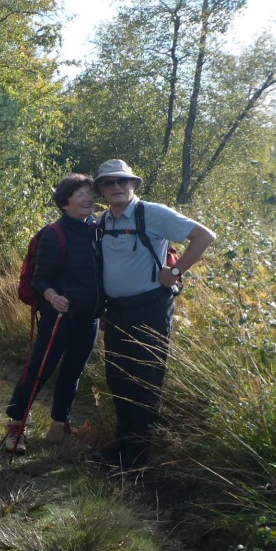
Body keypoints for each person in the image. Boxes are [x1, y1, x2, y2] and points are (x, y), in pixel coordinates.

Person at [92, 159, 216, 472]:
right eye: (109, 183)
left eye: (123, 181)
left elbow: (205, 237)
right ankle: (121, 450)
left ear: (133, 185)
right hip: (117, 311)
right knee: (118, 379)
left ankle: (136, 460)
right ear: (102, 190)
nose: (117, 187)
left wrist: (175, 270)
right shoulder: (102, 221)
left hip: (151, 308)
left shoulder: (153, 213)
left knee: (146, 382)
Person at [3, 174, 103, 455]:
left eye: (89, 193)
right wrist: (52, 297)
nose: (87, 199)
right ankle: (15, 426)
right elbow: (40, 278)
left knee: (73, 372)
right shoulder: (53, 233)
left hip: (90, 317)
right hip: (60, 316)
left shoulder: (97, 231)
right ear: (64, 202)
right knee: (39, 370)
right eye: (80, 194)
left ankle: (59, 428)